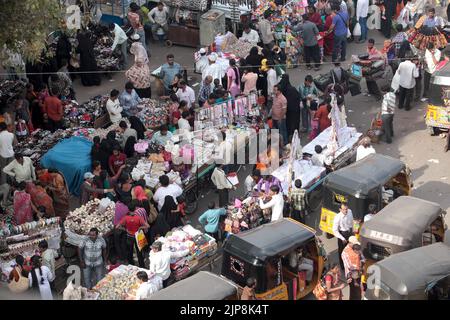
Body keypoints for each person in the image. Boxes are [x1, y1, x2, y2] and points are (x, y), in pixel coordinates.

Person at [332, 203, 354, 270]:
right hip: (342, 235)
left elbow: (351, 222)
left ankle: (349, 264)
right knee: (342, 252)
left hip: (349, 232)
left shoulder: (350, 211)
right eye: (344, 209)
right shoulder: (337, 217)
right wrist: (342, 238)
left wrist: (353, 230)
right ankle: (343, 267)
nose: (346, 211)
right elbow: (335, 230)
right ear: (340, 210)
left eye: (346, 209)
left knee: (350, 250)